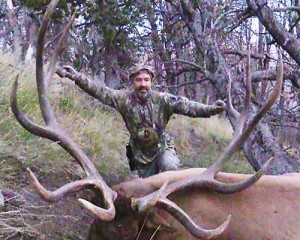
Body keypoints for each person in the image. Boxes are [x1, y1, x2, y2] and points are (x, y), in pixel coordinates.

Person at [57, 65, 226, 178]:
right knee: (146, 187)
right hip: (139, 153)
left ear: (151, 81)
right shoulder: (123, 99)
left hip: (161, 148)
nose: (143, 84)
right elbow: (100, 91)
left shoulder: (163, 100)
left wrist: (212, 109)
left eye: (146, 80)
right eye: (138, 80)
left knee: (170, 168)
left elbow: (189, 107)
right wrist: (77, 77)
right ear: (132, 82)